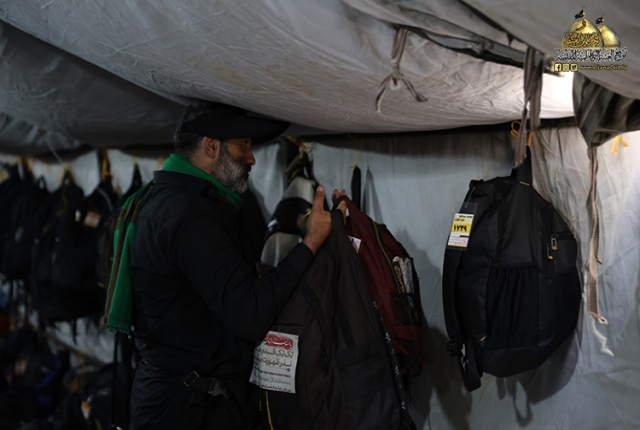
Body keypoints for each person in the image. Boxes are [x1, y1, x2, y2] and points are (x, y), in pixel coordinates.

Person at [126, 101, 345, 429]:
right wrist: (311, 241)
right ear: (211, 146)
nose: (252, 157)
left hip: (174, 398)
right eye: (244, 144)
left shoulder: (165, 198)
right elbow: (250, 314)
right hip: (190, 412)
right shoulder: (191, 216)